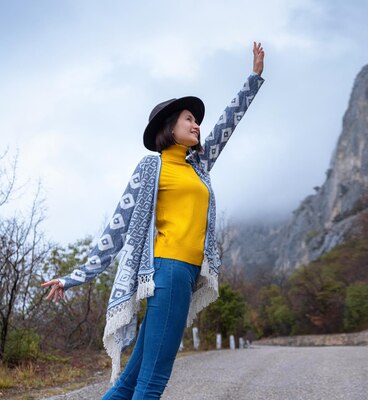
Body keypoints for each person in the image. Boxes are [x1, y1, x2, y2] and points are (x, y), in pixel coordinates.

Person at [41, 41, 265, 399]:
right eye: (190, 119)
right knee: (152, 381)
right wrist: (73, 277)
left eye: (197, 121)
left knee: (131, 381)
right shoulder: (153, 167)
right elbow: (118, 225)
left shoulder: (199, 168)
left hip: (186, 274)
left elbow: (227, 125)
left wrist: (253, 79)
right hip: (169, 271)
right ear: (169, 126)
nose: (197, 125)